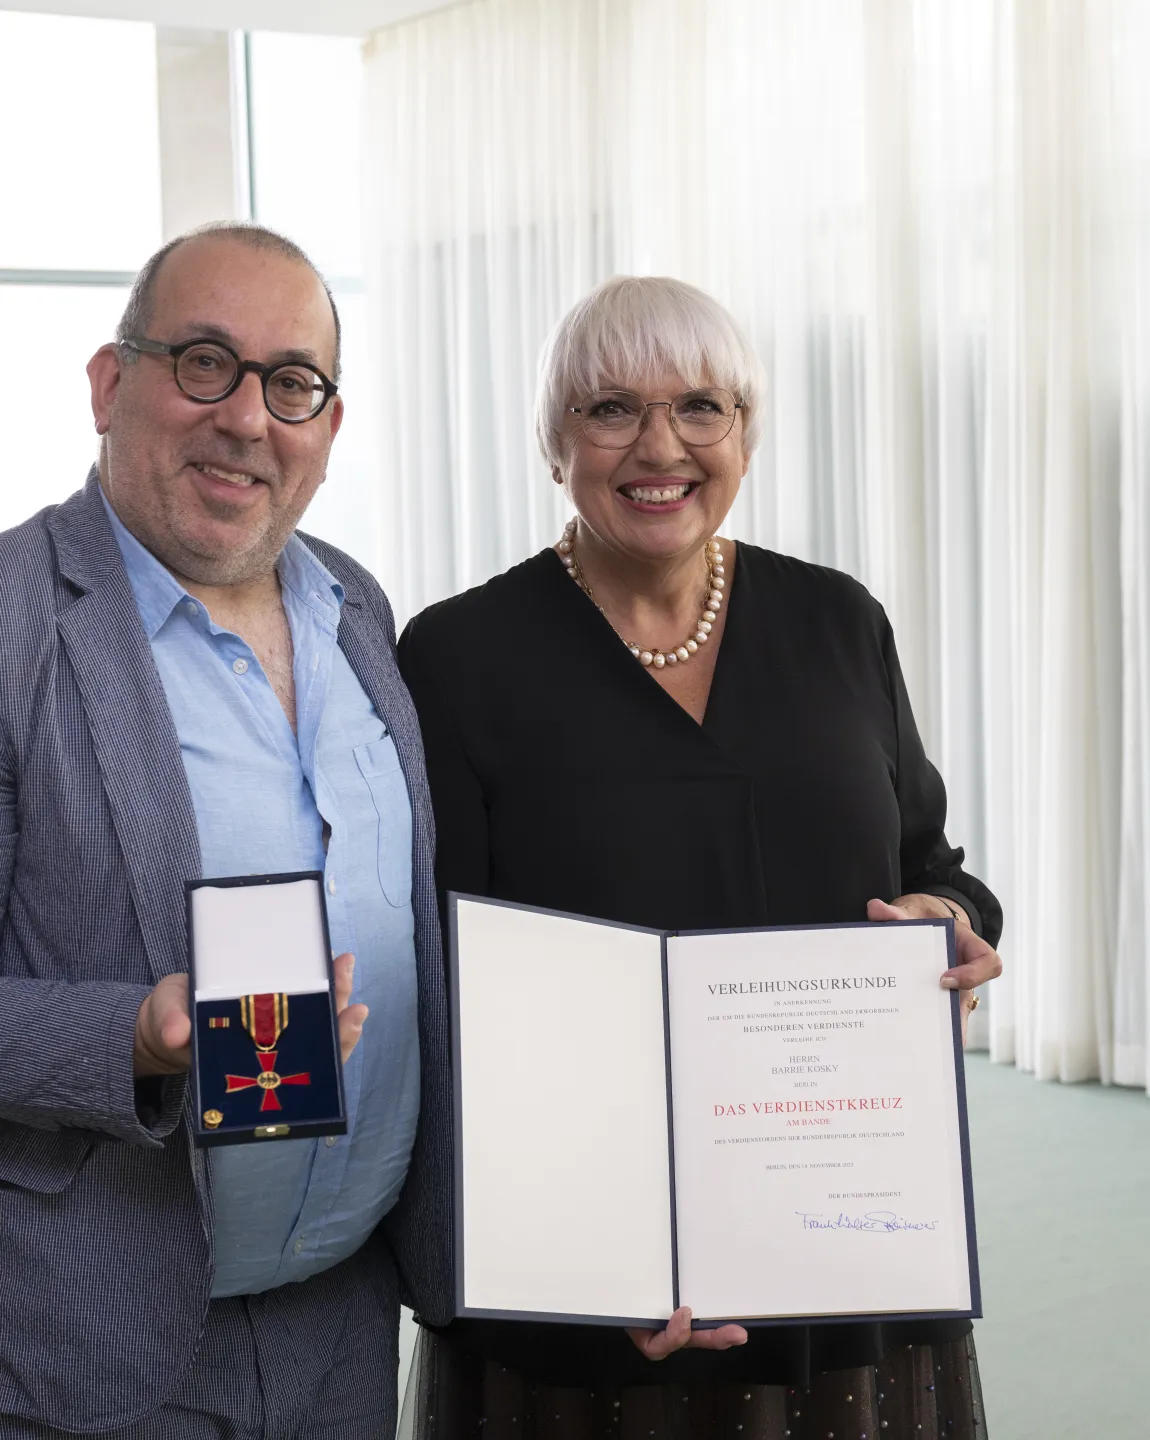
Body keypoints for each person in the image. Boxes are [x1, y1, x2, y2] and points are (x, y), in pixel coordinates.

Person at [397, 275, 1003, 1440]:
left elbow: (935, 859)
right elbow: (449, 981)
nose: (658, 446)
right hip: (586, 1282)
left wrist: (951, 915)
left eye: (700, 407)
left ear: (746, 431)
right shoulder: (460, 655)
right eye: (609, 408)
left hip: (846, 1251)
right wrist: (579, 1255)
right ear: (552, 441)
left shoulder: (840, 622)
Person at [0, 222, 450, 1438]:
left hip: (348, 1330)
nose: (247, 417)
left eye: (290, 381)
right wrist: (135, 1035)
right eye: (205, 361)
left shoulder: (357, 607)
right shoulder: (11, 625)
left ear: (328, 425)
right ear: (110, 383)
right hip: (92, 1346)